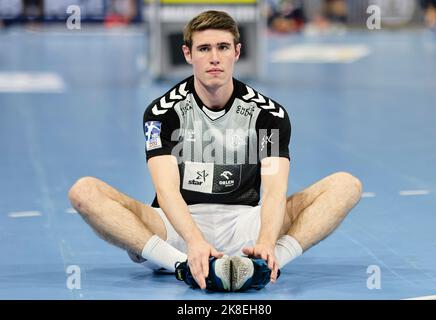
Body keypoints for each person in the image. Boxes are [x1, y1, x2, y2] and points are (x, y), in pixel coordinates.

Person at [68, 10, 362, 292]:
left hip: (245, 224)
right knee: (84, 192)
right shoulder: (161, 113)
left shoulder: (267, 115)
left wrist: (266, 241)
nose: (214, 58)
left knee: (346, 185)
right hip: (176, 228)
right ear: (187, 54)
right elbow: (166, 189)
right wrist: (194, 242)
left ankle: (264, 265)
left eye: (223, 47)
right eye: (204, 49)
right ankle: (183, 266)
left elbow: (274, 190)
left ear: (237, 51)